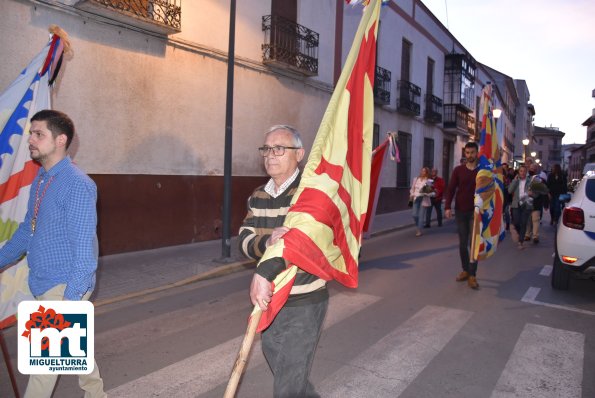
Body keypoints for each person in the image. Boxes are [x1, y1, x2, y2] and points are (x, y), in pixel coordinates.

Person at [0, 110, 106, 398]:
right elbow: (27, 231)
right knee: (75, 352)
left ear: (61, 140)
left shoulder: (77, 184)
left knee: (43, 369)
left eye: (39, 134)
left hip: (64, 285)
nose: (30, 140)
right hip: (45, 281)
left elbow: (85, 249)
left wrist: (69, 304)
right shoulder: (43, 180)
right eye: (30, 134)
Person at [239, 125, 328, 398]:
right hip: (270, 299)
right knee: (285, 369)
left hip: (303, 299)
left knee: (288, 384)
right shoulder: (258, 196)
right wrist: (267, 243)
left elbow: (298, 245)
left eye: (279, 148)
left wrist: (267, 265)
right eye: (266, 149)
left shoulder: (309, 194)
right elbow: (244, 239)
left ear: (299, 154)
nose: (270, 155)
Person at [445, 142, 479, 290]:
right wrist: (447, 207)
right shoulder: (458, 170)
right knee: (462, 243)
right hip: (460, 211)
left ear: (477, 153)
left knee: (473, 245)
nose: (470, 155)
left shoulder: (482, 171)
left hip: (476, 213)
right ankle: (465, 269)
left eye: (472, 152)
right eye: (467, 152)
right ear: (464, 154)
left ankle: (472, 275)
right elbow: (451, 189)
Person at [508, 165, 532, 250]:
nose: (522, 173)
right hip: (516, 204)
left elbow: (536, 193)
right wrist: (514, 181)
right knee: (516, 222)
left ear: (526, 172)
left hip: (526, 204)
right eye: (521, 171)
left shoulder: (530, 181)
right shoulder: (515, 181)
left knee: (523, 223)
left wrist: (532, 193)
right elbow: (510, 191)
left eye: (524, 171)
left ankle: (520, 241)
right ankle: (519, 234)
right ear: (518, 172)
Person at [409, 167, 431, 236]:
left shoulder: (429, 181)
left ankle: (419, 230)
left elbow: (428, 191)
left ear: (426, 173)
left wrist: (425, 192)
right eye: (422, 170)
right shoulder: (415, 179)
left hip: (423, 199)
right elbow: (412, 188)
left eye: (424, 171)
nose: (422, 172)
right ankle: (420, 224)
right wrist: (412, 194)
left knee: (421, 216)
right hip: (416, 198)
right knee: (414, 215)